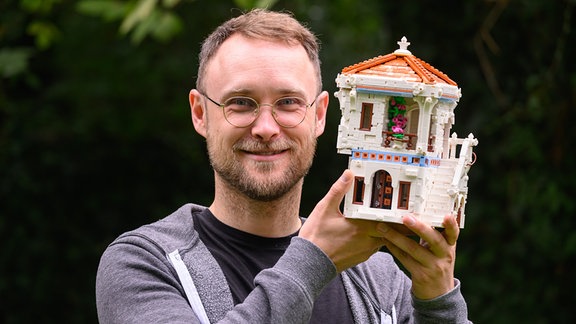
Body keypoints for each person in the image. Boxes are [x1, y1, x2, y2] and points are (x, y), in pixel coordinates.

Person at [96, 8, 470, 323]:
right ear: (200, 113)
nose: (265, 128)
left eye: (289, 102)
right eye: (240, 103)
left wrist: (438, 302)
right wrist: (312, 263)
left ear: (321, 115)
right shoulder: (144, 263)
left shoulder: (379, 279)